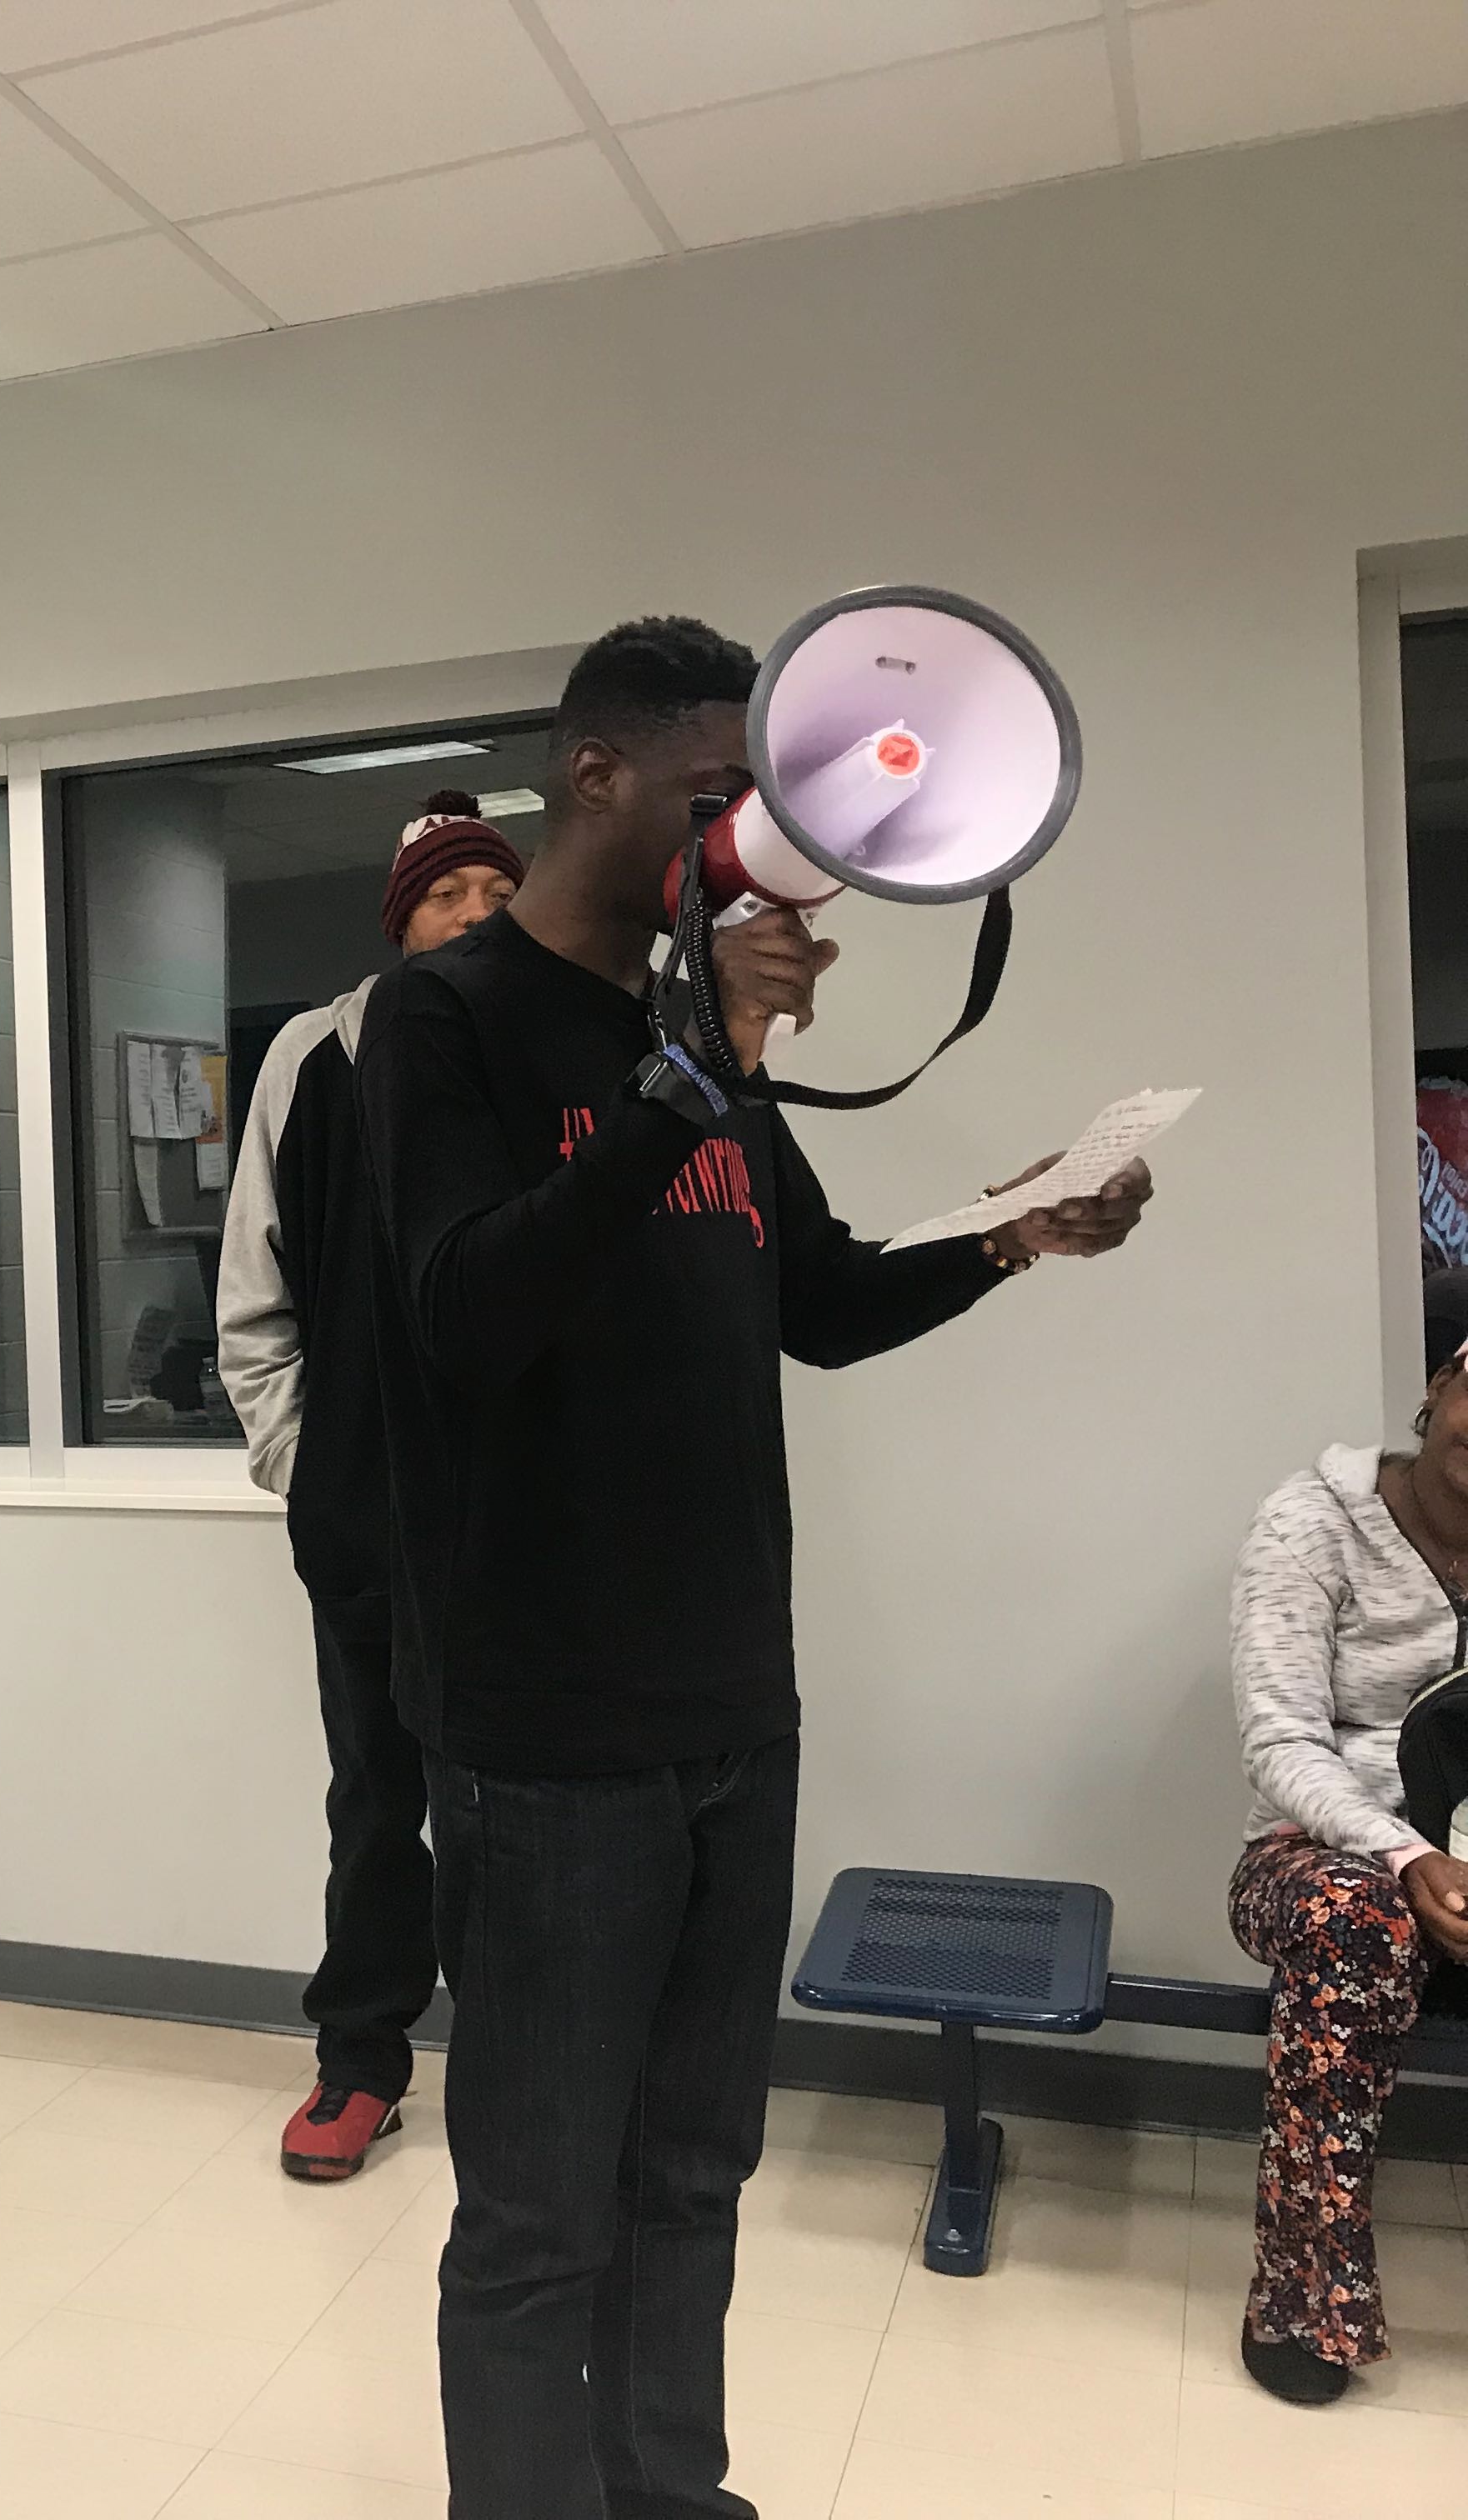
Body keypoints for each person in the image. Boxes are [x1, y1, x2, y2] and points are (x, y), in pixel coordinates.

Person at [353, 616, 1153, 2517]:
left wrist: (1011, 1234)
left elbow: (818, 1303)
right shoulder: (446, 1019)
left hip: (731, 1707)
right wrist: (697, 1067)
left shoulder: (679, 1045)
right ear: (596, 776)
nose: (763, 839)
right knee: (541, 2213)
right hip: (549, 1734)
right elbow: (466, 1312)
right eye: (728, 796)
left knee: (697, 2174)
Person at [218, 788, 523, 2179]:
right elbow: (253, 1296)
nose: (475, 914)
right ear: (402, 923)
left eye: (494, 894)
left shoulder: (556, 1053)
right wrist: (306, 1465)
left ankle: (530, 2072)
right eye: (448, 897)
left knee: (531, 1814)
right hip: (364, 1525)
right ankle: (360, 2062)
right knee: (376, 1802)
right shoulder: (311, 1058)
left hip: (532, 1530)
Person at [1222, 1269, 1468, 2405]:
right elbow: (1282, 1744)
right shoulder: (1312, 1522)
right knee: (1360, 1925)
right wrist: (1410, 1856)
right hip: (1318, 1854)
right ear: (1442, 1382)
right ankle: (1303, 2299)